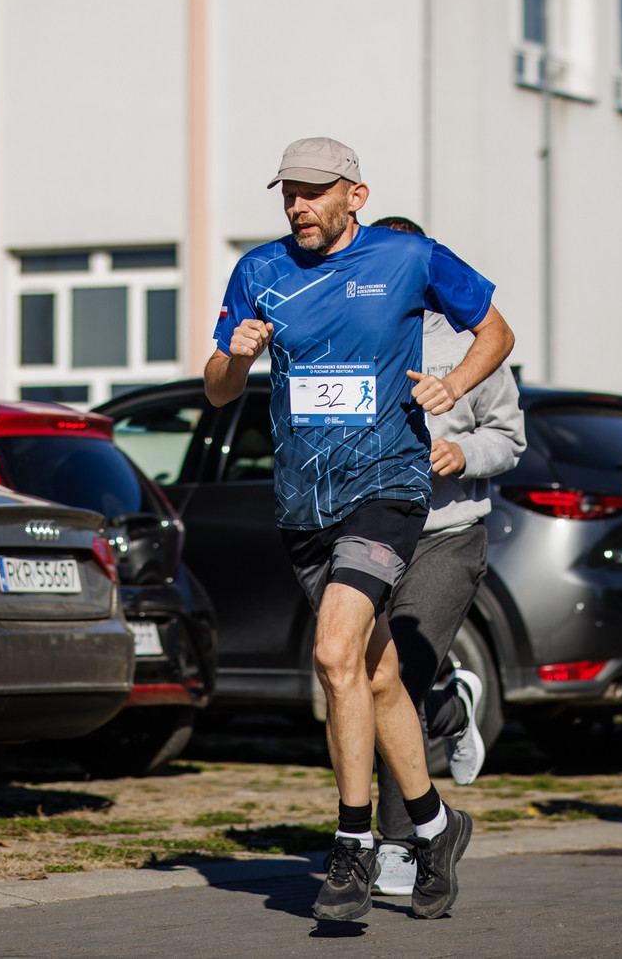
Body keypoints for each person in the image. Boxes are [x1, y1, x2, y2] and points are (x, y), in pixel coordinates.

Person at [205, 138, 514, 920]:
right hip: (304, 501)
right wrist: (234, 358)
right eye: (289, 192)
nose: (298, 205)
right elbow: (217, 391)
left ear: (356, 194)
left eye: (314, 191)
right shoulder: (259, 271)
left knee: (334, 650)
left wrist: (453, 384)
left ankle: (352, 845)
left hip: (388, 485)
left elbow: (496, 332)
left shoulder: (409, 258)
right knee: (375, 673)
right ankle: (437, 827)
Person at [363, 215, 527, 898]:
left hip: (447, 533)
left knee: (398, 681)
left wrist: (462, 452)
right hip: (369, 533)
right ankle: (451, 710)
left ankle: (398, 842)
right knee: (368, 682)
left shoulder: (467, 343)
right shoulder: (354, 334)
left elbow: (510, 438)